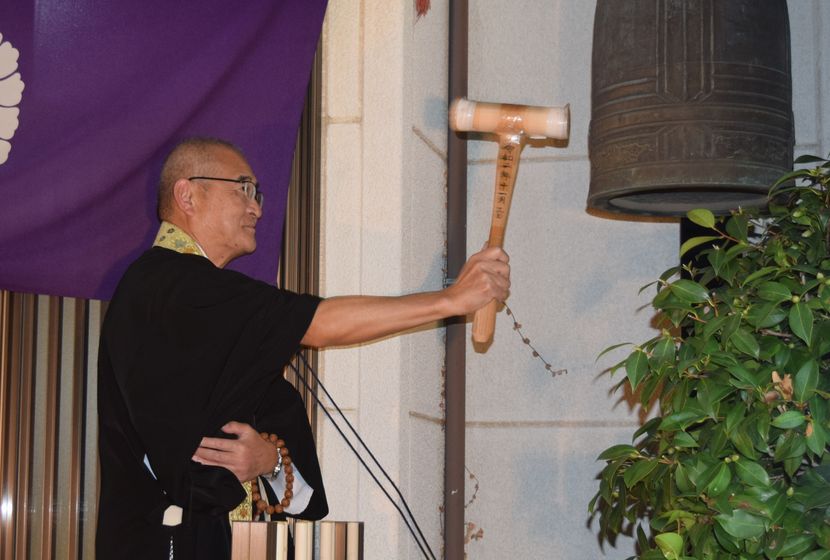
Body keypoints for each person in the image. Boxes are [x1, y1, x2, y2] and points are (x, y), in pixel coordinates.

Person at [96, 137, 510, 560]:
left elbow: (289, 473)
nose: (256, 208)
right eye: (243, 188)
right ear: (187, 195)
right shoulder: (164, 285)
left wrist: (269, 461)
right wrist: (450, 300)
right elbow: (321, 323)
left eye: (257, 194)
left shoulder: (206, 306)